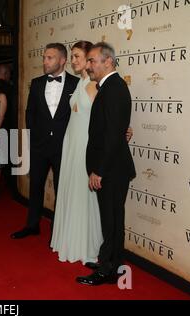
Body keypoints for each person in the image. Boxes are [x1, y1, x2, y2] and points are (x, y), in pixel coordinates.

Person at [76, 42, 136, 286]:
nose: (88, 66)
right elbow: (114, 130)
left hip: (111, 169)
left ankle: (108, 271)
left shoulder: (113, 88)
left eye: (92, 61)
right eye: (88, 61)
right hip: (113, 167)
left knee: (111, 220)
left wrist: (98, 170)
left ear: (108, 62)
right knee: (112, 218)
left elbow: (112, 135)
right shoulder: (110, 87)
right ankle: (111, 261)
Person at [11, 43, 79, 239]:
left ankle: (56, 232)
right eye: (44, 57)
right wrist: (33, 138)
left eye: (50, 57)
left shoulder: (76, 84)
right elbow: (30, 112)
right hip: (39, 147)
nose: (45, 61)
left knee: (61, 190)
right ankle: (32, 225)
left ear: (62, 60)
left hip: (63, 147)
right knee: (35, 187)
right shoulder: (37, 82)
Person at [49, 41, 102, 264]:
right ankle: (69, 239)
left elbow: (102, 118)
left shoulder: (94, 84)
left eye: (78, 56)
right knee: (71, 190)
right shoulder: (80, 82)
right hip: (70, 141)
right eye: (72, 56)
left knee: (83, 193)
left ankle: (85, 244)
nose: (73, 61)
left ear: (89, 58)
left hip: (84, 144)